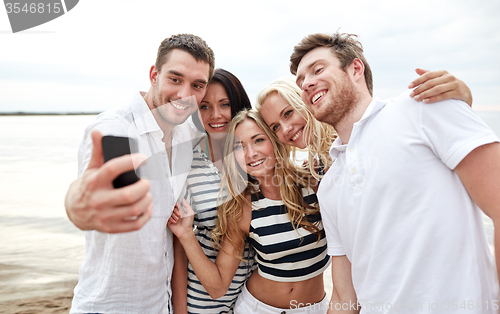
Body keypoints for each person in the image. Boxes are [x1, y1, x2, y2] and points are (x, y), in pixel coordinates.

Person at [290, 32, 499, 313]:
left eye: (317, 69)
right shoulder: (328, 188)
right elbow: (344, 297)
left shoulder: (422, 105)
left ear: (355, 69)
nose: (307, 83)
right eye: (300, 81)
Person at [65, 34, 215, 313]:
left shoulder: (188, 133)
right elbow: (96, 191)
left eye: (197, 85)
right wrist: (80, 206)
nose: (185, 94)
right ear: (154, 75)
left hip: (161, 303)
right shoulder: (116, 128)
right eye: (175, 79)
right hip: (108, 305)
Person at [169, 109, 331, 314]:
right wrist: (186, 235)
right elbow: (217, 287)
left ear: (274, 140)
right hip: (257, 308)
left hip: (315, 308)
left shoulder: (314, 183)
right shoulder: (243, 208)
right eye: (239, 146)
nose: (251, 153)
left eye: (258, 140)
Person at [256, 71, 474, 179]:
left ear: (304, 102)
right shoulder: (315, 170)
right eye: (274, 127)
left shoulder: (358, 132)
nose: (285, 129)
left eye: (288, 113)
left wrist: (463, 99)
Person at [170, 68, 255, 314]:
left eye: (224, 104)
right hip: (203, 296)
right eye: (205, 106)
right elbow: (180, 241)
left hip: (250, 296)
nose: (215, 115)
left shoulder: (256, 153)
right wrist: (180, 310)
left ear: (238, 104)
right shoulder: (189, 158)